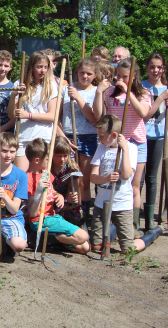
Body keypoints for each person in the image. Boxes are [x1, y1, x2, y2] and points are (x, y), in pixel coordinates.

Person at [93, 58, 151, 237]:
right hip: (112, 143)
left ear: (134, 76)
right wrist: (99, 93)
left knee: (133, 185)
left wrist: (128, 94)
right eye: (118, 76)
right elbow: (99, 115)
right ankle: (107, 223)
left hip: (135, 142)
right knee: (109, 180)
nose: (120, 80)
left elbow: (143, 113)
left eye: (125, 77)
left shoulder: (144, 93)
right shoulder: (110, 92)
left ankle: (132, 225)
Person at [90, 114, 146, 251]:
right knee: (96, 247)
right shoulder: (101, 148)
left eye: (102, 136)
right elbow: (93, 177)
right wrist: (105, 178)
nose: (99, 139)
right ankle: (112, 230)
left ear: (114, 135)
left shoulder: (131, 148)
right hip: (101, 204)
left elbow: (126, 175)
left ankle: (148, 237)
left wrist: (125, 149)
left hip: (122, 204)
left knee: (128, 250)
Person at [26, 138, 90, 254]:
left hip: (53, 216)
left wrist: (59, 195)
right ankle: (38, 239)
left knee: (84, 248)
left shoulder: (45, 172)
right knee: (83, 236)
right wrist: (39, 191)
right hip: (41, 219)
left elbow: (52, 191)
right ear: (37, 160)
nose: (48, 162)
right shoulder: (28, 179)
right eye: (47, 159)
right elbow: (33, 212)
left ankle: (49, 241)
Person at [61, 57, 100, 217]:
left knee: (83, 181)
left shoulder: (96, 91)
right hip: (67, 136)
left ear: (95, 75)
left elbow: (94, 118)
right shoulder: (65, 89)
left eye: (89, 74)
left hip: (88, 137)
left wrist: (78, 97)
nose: (85, 76)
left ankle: (84, 215)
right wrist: (63, 137)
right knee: (71, 181)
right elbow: (57, 118)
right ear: (77, 72)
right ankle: (71, 212)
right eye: (82, 73)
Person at [141, 52, 168, 231]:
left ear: (164, 69)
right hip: (141, 137)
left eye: (159, 67)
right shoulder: (141, 87)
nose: (155, 70)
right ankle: (132, 218)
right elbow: (142, 114)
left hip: (160, 136)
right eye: (152, 67)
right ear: (147, 68)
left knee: (152, 178)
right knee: (138, 178)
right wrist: (160, 99)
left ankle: (149, 220)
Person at [8, 51, 58, 172]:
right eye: (39, 67)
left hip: (42, 138)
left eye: (45, 67)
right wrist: (13, 95)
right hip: (23, 137)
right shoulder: (19, 84)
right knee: (22, 177)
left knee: (41, 179)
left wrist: (28, 115)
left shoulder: (51, 86)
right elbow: (11, 115)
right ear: (31, 67)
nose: (43, 70)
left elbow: (52, 116)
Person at [49, 136, 85, 227]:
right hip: (50, 202)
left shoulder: (72, 169)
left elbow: (74, 190)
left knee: (78, 213)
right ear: (52, 154)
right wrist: (57, 196)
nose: (62, 159)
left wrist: (71, 198)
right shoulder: (47, 168)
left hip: (66, 204)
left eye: (65, 156)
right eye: (59, 156)